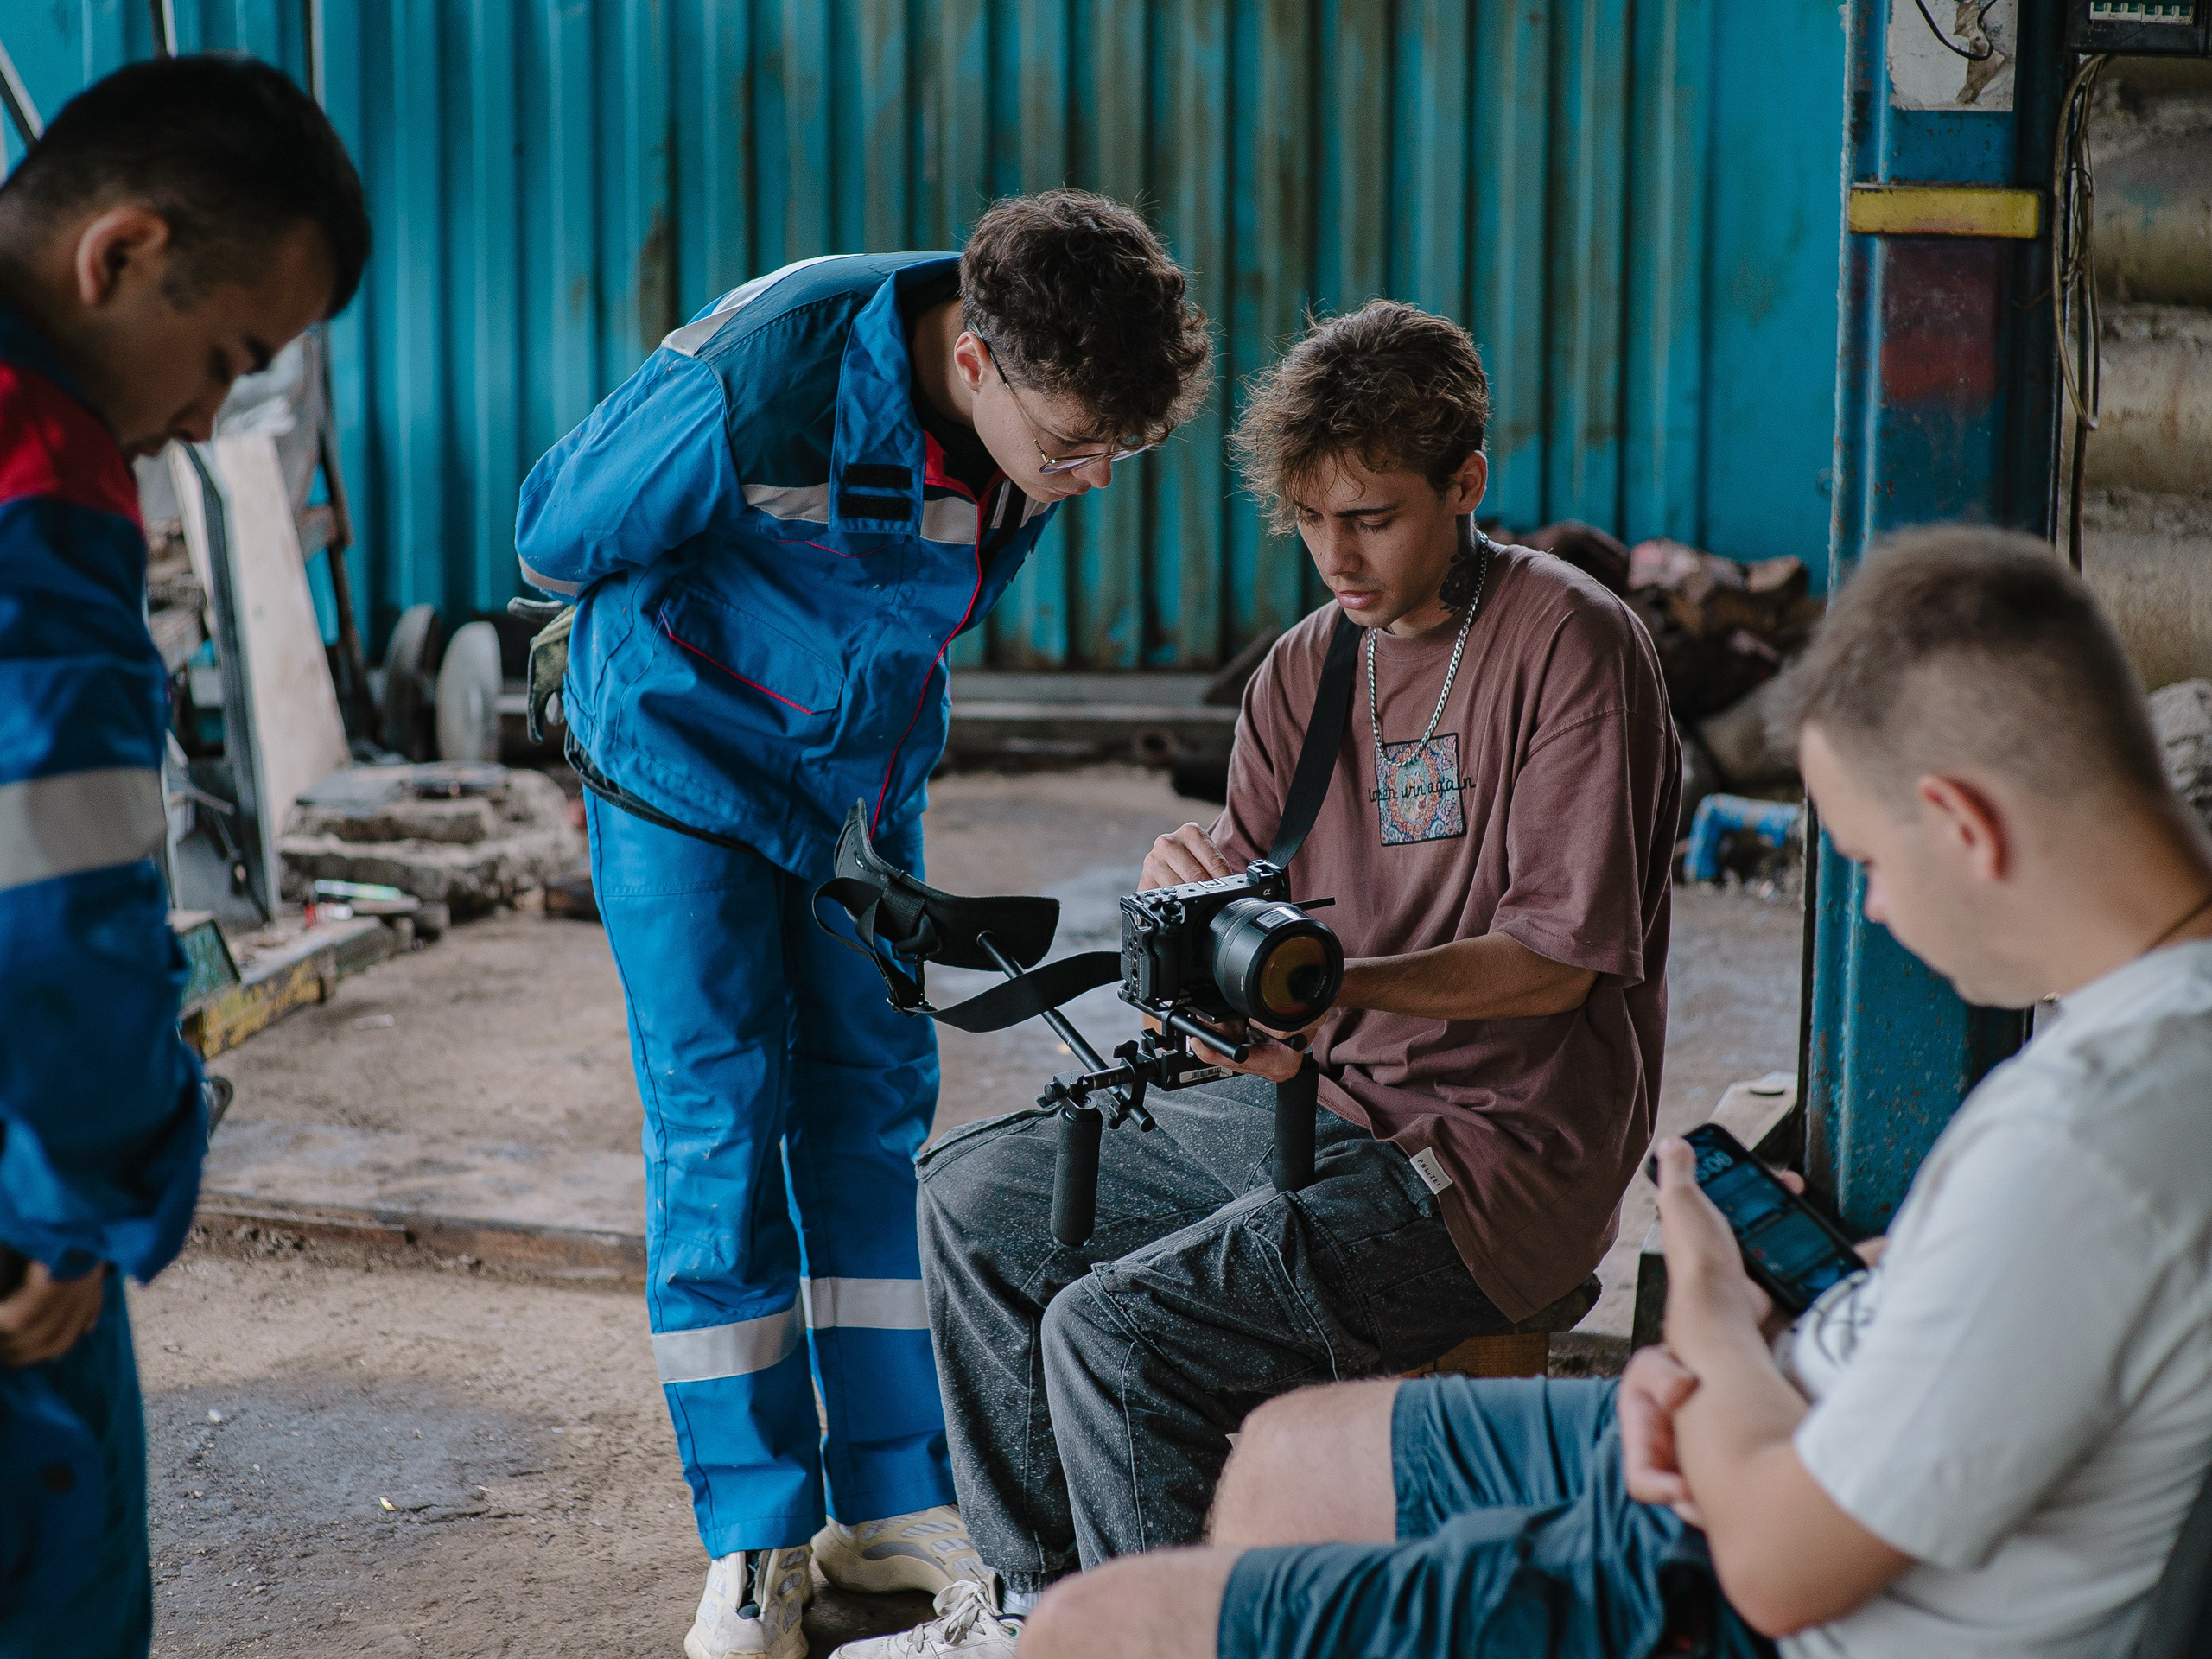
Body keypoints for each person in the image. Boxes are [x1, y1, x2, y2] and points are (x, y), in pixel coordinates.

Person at [1014, 525, 2212, 1659]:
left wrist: (1708, 1313)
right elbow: (2026, 1302)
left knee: (1093, 1628)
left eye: (1869, 862)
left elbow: (1780, 1570)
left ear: (1962, 825)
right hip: (1780, 1430)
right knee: (1286, 1454)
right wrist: (1765, 1346)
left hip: (1747, 1587)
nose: (1881, 909)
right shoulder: (2157, 1035)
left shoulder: (2085, 1143)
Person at [855, 299, 1679, 1657]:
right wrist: (1189, 891)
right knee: (973, 1200)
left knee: (1118, 1335)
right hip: (1317, 1100)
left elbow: (1549, 968)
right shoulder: (1304, 669)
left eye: (1370, 517)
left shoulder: (1571, 645)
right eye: (1307, 518)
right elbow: (1250, 904)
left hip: (1496, 1152)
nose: (1334, 557)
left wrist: (1333, 985)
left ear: (1466, 486)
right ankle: (1034, 1611)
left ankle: (1176, 1639)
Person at [513, 190, 1211, 1659]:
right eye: (1073, 447)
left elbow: (937, 602)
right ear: (973, 361)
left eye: (1118, 456)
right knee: (720, 1122)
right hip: (676, 767)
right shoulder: (766, 371)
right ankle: (756, 1542)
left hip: (853, 802)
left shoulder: (1032, 441)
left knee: (872, 1114)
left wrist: (854, 769)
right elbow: (554, 536)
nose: (1087, 481)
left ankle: (889, 1503)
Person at [0, 54, 369, 1659]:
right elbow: (56, 906)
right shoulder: (37, 494)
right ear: (119, 253)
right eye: (226, 358)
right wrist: (77, 1209)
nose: (212, 415)